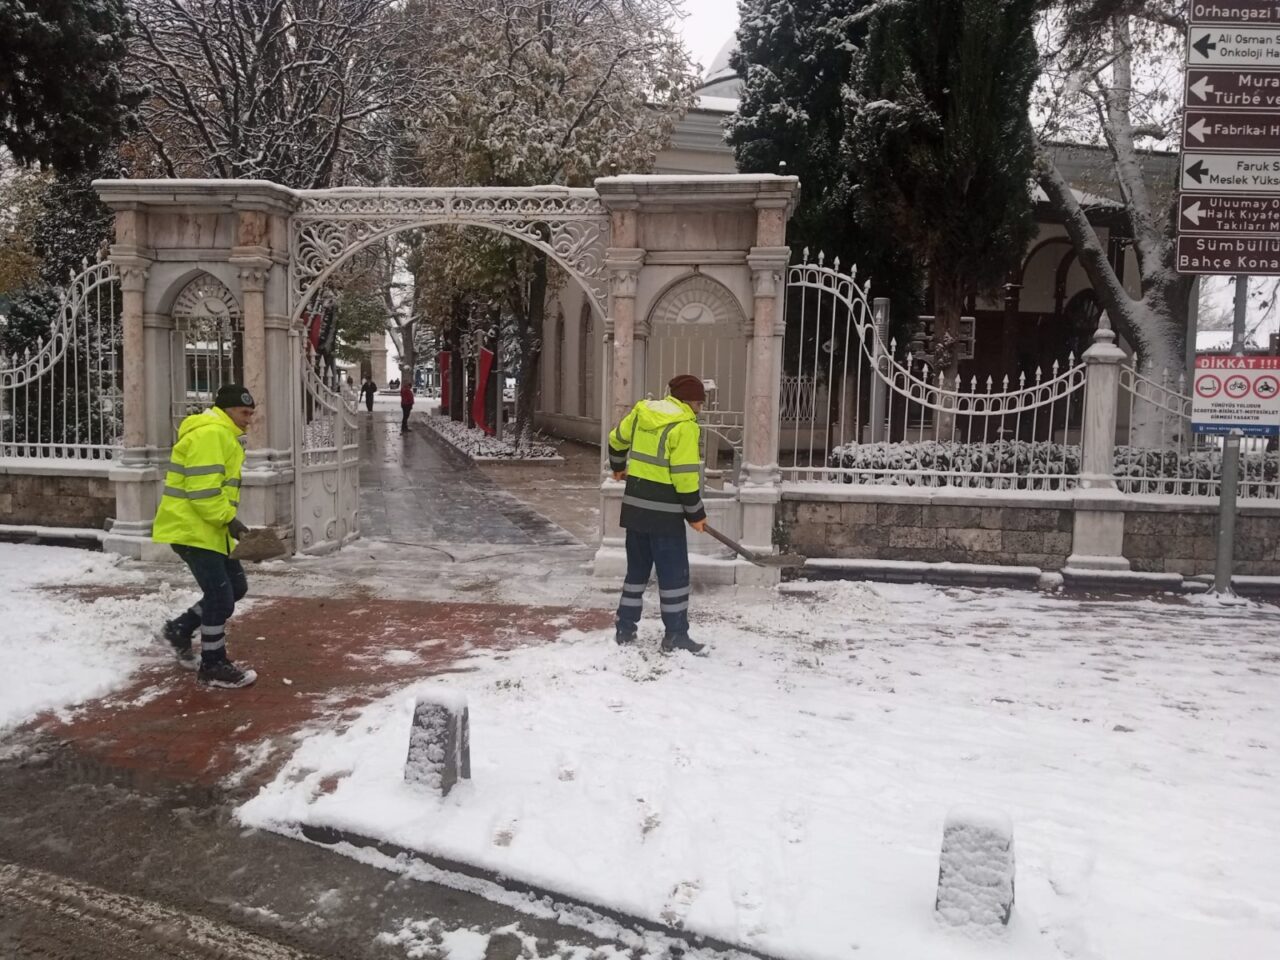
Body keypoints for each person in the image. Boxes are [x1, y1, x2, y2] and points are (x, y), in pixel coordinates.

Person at [153, 384, 258, 688]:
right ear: (227, 410)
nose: (248, 419)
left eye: (251, 413)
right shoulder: (211, 434)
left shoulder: (222, 435)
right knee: (220, 598)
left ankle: (179, 629)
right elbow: (202, 491)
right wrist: (230, 521)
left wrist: (229, 525)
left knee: (235, 588)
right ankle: (213, 664)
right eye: (244, 412)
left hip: (209, 531)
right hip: (191, 530)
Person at [606, 374, 708, 656]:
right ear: (689, 401)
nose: (700, 408)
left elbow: (615, 439)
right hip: (665, 515)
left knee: (636, 572)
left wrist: (617, 466)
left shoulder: (642, 413)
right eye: (699, 402)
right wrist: (696, 513)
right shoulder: (685, 426)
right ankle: (676, 635)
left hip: (636, 510)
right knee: (674, 577)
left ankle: (624, 629)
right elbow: (685, 477)